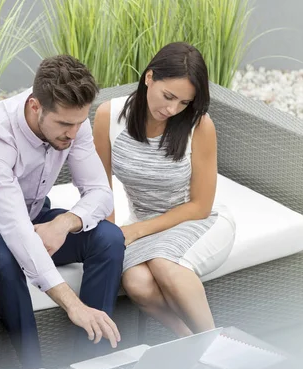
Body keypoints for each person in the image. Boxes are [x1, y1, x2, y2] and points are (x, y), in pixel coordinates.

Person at [0, 55, 125, 369]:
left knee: (109, 238)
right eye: (64, 124)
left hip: (32, 218)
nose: (74, 133)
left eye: (79, 122)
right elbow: (15, 231)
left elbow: (102, 194)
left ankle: (89, 367)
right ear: (36, 106)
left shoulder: (74, 123)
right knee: (5, 257)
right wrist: (73, 306)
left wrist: (64, 223)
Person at [92, 42, 236, 337]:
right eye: (168, 96)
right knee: (135, 283)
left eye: (183, 103)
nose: (172, 109)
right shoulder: (109, 116)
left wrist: (137, 231)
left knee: (164, 262)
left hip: (196, 221)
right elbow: (99, 189)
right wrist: (112, 236)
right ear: (149, 77)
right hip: (144, 224)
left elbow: (200, 206)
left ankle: (215, 343)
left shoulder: (200, 126)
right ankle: (189, 341)